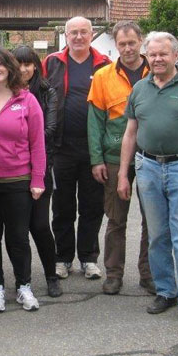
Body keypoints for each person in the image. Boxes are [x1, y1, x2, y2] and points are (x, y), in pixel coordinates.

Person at [119, 32, 178, 330]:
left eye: (164, 53)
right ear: (147, 56)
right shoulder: (139, 89)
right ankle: (166, 291)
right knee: (158, 235)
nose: (158, 59)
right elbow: (131, 133)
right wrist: (124, 173)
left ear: (176, 55)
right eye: (153, 54)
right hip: (147, 167)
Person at [0, 46, 46, 313]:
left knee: (18, 237)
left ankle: (24, 286)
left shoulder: (27, 101)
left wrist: (37, 179)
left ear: (9, 67)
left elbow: (38, 143)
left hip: (18, 180)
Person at [87, 21, 154, 296]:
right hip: (115, 156)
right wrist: (97, 159)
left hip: (153, 156)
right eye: (122, 44)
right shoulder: (103, 76)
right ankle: (113, 274)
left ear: (141, 41)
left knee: (153, 219)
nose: (127, 48)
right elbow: (94, 122)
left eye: (132, 42)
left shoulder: (158, 71)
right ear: (116, 45)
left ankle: (149, 273)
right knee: (116, 219)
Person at [42, 16, 111, 282]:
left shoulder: (105, 64)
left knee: (92, 207)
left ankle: (89, 258)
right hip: (61, 149)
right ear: (66, 35)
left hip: (94, 149)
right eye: (74, 33)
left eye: (84, 32)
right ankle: (62, 258)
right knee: (62, 207)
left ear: (92, 34)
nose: (79, 37)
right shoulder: (52, 63)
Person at [11, 45, 62, 298]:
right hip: (14, 170)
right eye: (18, 64)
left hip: (41, 166)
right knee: (18, 229)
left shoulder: (47, 91)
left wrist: (21, 141)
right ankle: (24, 281)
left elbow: (50, 129)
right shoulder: (5, 91)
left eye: (28, 64)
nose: (23, 70)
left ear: (35, 66)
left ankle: (52, 276)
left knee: (40, 225)